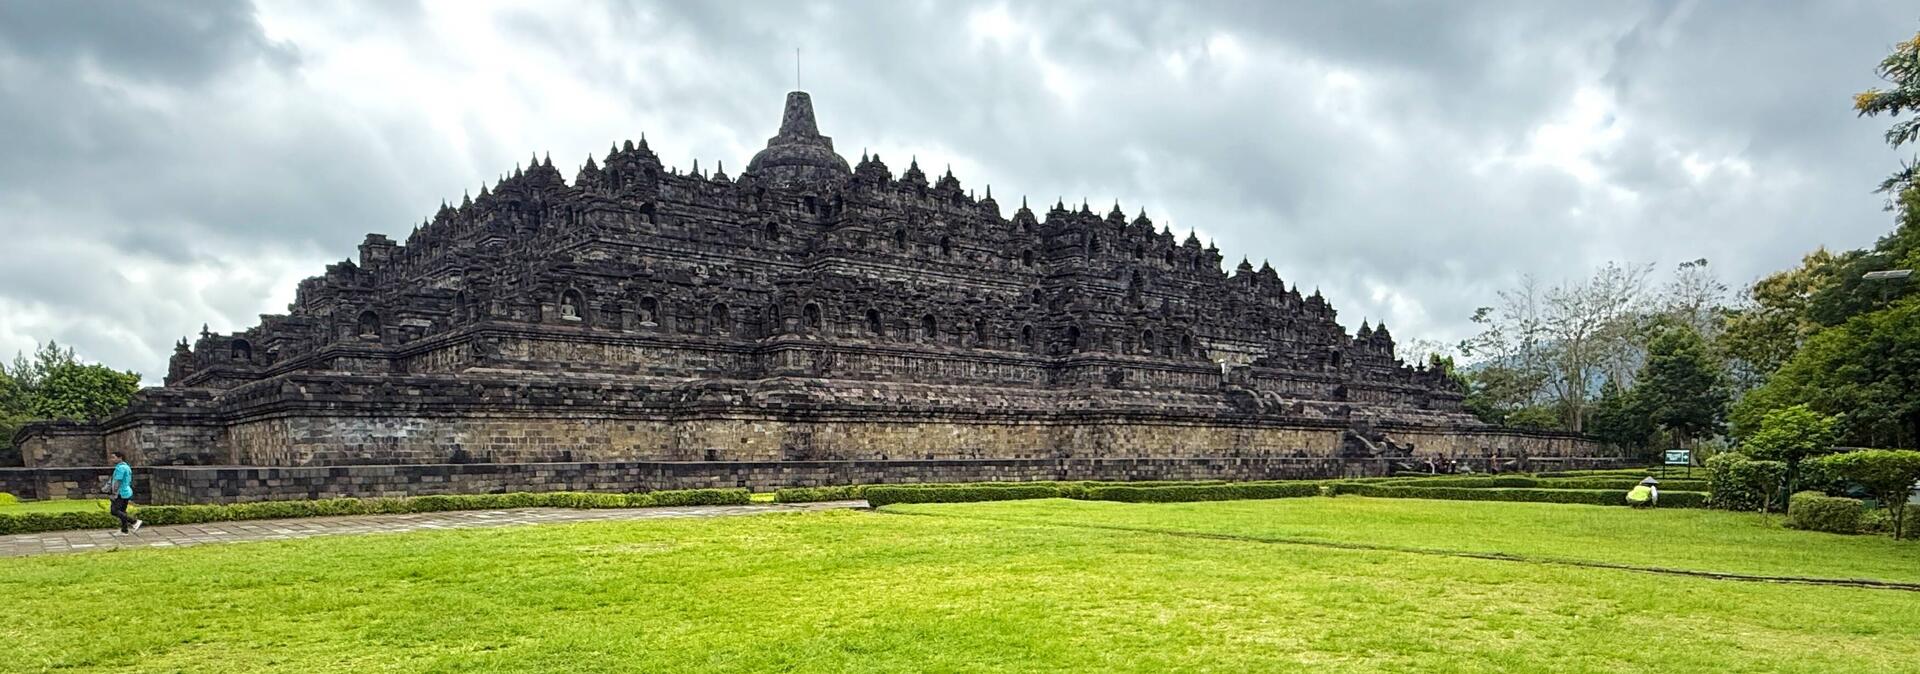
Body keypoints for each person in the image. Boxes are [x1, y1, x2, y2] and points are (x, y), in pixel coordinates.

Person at [107, 451, 142, 534]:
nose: (112, 459)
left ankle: (134, 521)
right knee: (122, 511)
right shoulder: (125, 466)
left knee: (114, 511)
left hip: (121, 492)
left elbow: (117, 482)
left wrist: (113, 493)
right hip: (126, 491)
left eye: (114, 457)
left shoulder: (121, 468)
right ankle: (124, 530)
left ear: (120, 458)